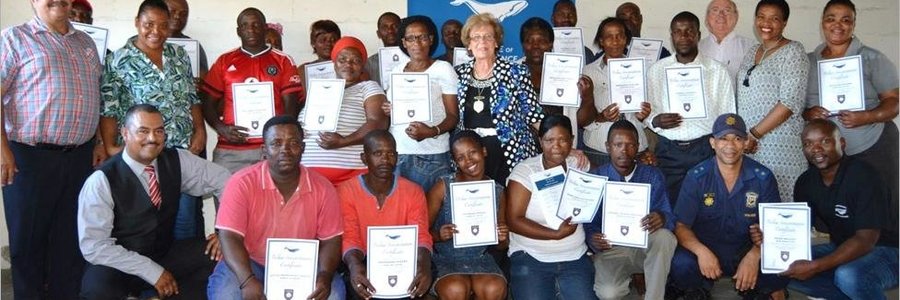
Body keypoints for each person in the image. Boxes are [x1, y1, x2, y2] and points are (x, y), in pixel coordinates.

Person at [1, 0, 105, 297]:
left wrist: (97, 140)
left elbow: (93, 97)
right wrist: (2, 150)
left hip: (79, 158)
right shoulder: (14, 38)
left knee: (69, 242)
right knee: (27, 244)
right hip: (29, 157)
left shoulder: (85, 43)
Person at [78, 104, 229, 299]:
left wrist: (225, 231)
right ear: (125, 133)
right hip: (119, 263)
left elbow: (227, 181)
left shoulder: (177, 160)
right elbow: (94, 247)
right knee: (96, 290)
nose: (152, 138)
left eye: (159, 131)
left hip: (163, 253)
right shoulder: (100, 181)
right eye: (143, 131)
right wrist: (152, 271)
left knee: (219, 257)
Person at [750, 119, 898, 299]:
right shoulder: (806, 182)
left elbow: (866, 240)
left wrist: (816, 266)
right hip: (843, 246)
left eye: (825, 141)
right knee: (776, 266)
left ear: (842, 144)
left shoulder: (865, 176)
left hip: (888, 250)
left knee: (848, 275)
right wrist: (769, 236)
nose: (816, 149)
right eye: (808, 144)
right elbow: (797, 231)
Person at [100, 0, 209, 242]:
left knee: (185, 221)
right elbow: (109, 108)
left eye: (163, 25)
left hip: (181, 154)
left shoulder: (179, 55)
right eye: (149, 24)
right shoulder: (118, 61)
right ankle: (150, 278)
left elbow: (192, 97)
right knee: (145, 225)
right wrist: (109, 146)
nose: (156, 31)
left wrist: (200, 130)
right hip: (142, 155)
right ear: (137, 23)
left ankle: (184, 277)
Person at [208, 115, 345, 300]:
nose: (285, 150)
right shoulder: (241, 183)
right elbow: (229, 236)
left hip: (303, 267)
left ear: (303, 148)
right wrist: (247, 280)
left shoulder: (323, 187)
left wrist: (325, 275)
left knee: (334, 294)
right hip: (250, 263)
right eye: (276, 143)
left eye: (293, 143)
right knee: (227, 293)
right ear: (264, 150)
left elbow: (331, 240)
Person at [668, 113, 788, 299]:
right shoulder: (696, 176)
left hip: (744, 249)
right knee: (680, 264)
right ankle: (697, 290)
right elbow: (681, 225)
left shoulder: (762, 177)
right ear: (712, 143)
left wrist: (754, 255)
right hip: (707, 247)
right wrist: (702, 252)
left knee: (779, 267)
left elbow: (776, 228)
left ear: (746, 142)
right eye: (723, 138)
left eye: (737, 139)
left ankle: (763, 291)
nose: (730, 146)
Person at [802, 0, 898, 228]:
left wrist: (867, 116)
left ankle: (886, 258)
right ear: (822, 23)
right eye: (831, 18)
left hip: (871, 145)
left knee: (880, 209)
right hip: (827, 155)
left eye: (846, 20)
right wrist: (809, 113)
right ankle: (838, 258)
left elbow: (894, 102)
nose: (838, 25)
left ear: (854, 25)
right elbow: (799, 106)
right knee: (834, 214)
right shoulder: (808, 61)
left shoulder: (872, 58)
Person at [644, 11, 735, 205]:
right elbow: (647, 112)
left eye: (689, 31)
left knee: (707, 207)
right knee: (670, 207)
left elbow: (728, 115)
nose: (683, 37)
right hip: (669, 152)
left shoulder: (717, 71)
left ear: (698, 35)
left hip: (704, 150)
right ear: (672, 36)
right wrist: (655, 120)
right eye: (678, 32)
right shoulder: (657, 71)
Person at [201, 8, 302, 174]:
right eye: (245, 25)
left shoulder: (283, 60)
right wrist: (221, 128)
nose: (251, 29)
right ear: (238, 31)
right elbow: (207, 102)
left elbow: (291, 106)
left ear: (264, 27)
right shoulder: (224, 61)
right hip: (231, 150)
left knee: (271, 199)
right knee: (228, 198)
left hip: (271, 150)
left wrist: (277, 138)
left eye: (256, 25)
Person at [506, 115, 595, 300]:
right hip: (531, 256)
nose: (556, 146)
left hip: (574, 256)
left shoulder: (579, 165)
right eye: (549, 140)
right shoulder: (525, 171)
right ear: (540, 141)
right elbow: (513, 221)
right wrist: (555, 234)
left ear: (572, 140)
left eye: (563, 140)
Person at [584, 120, 676, 300]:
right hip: (612, 250)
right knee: (609, 293)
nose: (624, 151)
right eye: (618, 145)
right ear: (608, 147)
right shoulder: (596, 178)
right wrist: (593, 238)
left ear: (638, 147)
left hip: (644, 247)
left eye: (630, 145)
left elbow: (670, 217)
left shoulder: (652, 175)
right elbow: (588, 224)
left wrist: (662, 217)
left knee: (665, 237)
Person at [338, 130, 432, 299]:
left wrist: (423, 265)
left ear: (396, 157)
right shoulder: (346, 191)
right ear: (364, 158)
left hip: (404, 261)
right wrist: (355, 267)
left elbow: (421, 236)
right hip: (363, 260)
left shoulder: (413, 191)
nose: (385, 160)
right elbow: (350, 237)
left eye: (390, 154)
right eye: (377, 153)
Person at [455, 13, 544, 186]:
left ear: (496, 43)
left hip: (509, 152)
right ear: (469, 45)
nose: (482, 42)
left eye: (488, 36)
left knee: (508, 205)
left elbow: (534, 115)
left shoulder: (516, 72)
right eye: (476, 37)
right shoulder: (458, 74)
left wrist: (558, 141)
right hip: (471, 156)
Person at [736, 0, 809, 202]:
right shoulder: (752, 51)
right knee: (753, 209)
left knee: (781, 208)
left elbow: (789, 104)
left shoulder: (794, 52)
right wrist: (744, 138)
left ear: (784, 23)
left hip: (780, 147)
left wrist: (754, 134)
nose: (766, 23)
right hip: (750, 148)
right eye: (761, 17)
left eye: (774, 18)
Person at [427, 130, 508, 300]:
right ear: (455, 161)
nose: (468, 160)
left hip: (481, 259)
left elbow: (502, 246)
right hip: (445, 259)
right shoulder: (443, 186)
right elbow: (421, 233)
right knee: (455, 289)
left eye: (473, 152)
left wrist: (501, 237)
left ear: (484, 151)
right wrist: (439, 235)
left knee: (494, 288)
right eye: (461, 157)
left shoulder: (497, 191)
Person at [382, 15, 458, 192]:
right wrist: (388, 109)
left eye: (422, 37)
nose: (417, 42)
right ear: (404, 42)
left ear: (431, 40)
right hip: (398, 152)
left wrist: (431, 131)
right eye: (410, 38)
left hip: (431, 155)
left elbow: (453, 116)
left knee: (429, 215)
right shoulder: (396, 70)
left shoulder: (443, 69)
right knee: (403, 215)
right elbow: (393, 109)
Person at [298, 36, 389, 184]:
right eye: (342, 60)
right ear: (334, 63)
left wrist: (343, 141)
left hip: (349, 176)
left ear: (363, 65)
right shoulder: (320, 89)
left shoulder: (368, 87)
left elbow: (378, 123)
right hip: (308, 177)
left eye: (355, 61)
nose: (348, 64)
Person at [583, 17, 653, 168]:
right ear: (601, 41)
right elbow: (581, 118)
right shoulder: (588, 72)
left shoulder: (641, 69)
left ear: (626, 39)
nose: (615, 41)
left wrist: (643, 117)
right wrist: (601, 117)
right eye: (609, 37)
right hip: (599, 149)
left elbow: (652, 111)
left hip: (636, 149)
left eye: (619, 36)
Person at [519, 17, 596, 139]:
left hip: (559, 150)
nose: (535, 46)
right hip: (522, 152)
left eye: (542, 40)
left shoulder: (567, 71)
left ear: (551, 43)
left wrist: (588, 98)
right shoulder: (512, 74)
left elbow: (582, 122)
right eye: (529, 40)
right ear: (523, 45)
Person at [698, 0, 754, 83]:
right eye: (715, 10)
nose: (721, 15)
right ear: (707, 17)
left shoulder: (752, 47)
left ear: (736, 16)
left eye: (727, 10)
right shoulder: (697, 48)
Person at [164, 0, 208, 77]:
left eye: (183, 14)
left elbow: (204, 78)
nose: (177, 16)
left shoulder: (194, 47)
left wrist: (200, 82)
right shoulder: (143, 42)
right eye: (172, 11)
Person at [297, 20, 341, 89]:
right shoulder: (303, 70)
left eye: (333, 40)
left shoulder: (347, 67)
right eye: (323, 40)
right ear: (313, 43)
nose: (328, 43)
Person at [365, 12, 402, 88]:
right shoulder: (369, 63)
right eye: (385, 28)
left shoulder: (413, 58)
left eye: (395, 26)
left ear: (402, 30)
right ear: (378, 34)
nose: (390, 31)